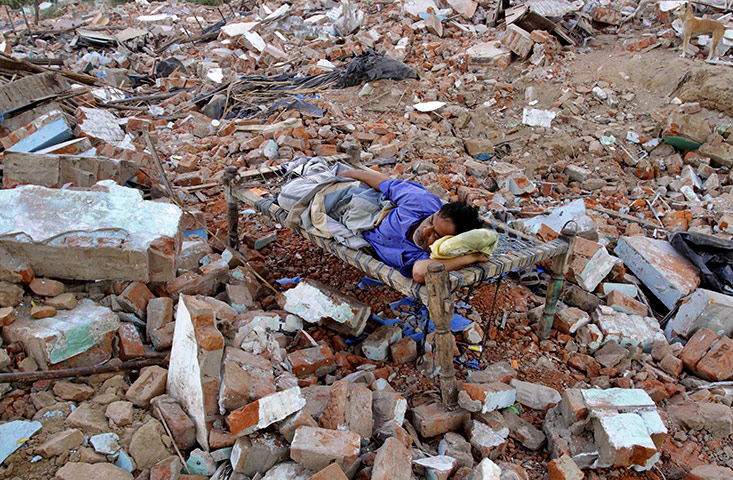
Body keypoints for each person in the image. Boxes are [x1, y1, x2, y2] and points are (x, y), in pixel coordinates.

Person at [340, 168, 487, 284]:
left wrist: (471, 258)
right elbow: (387, 184)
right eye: (430, 221)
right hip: (357, 199)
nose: (425, 231)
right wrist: (352, 173)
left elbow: (419, 273)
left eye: (436, 235)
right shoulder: (420, 202)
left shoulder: (424, 255)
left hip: (345, 223)